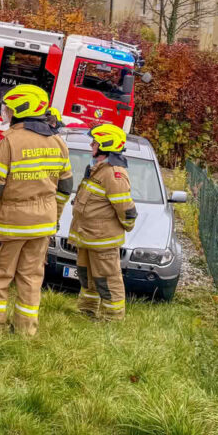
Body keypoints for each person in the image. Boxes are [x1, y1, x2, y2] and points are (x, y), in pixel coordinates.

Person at [0, 83, 74, 335]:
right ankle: (26, 331)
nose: (5, 112)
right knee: (31, 278)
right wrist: (54, 217)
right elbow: (65, 188)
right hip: (42, 227)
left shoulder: (7, 142)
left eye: (8, 108)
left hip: (9, 226)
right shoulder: (58, 143)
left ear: (20, 109)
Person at [69, 124, 137, 320]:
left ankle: (112, 319)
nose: (91, 145)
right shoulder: (98, 169)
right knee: (87, 278)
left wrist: (127, 225)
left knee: (108, 281)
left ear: (107, 145)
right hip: (87, 237)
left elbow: (126, 209)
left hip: (102, 240)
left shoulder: (114, 174)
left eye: (95, 142)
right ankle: (87, 312)